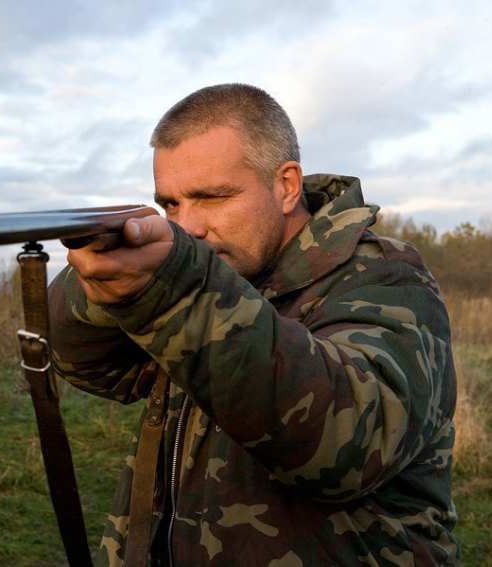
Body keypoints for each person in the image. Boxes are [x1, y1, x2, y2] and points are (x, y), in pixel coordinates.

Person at [47, 83, 460, 567]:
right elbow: (84, 363)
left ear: (285, 185)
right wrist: (108, 278)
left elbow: (346, 442)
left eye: (213, 196)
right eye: (171, 205)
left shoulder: (386, 278)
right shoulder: (210, 275)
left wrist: (178, 287)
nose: (189, 227)